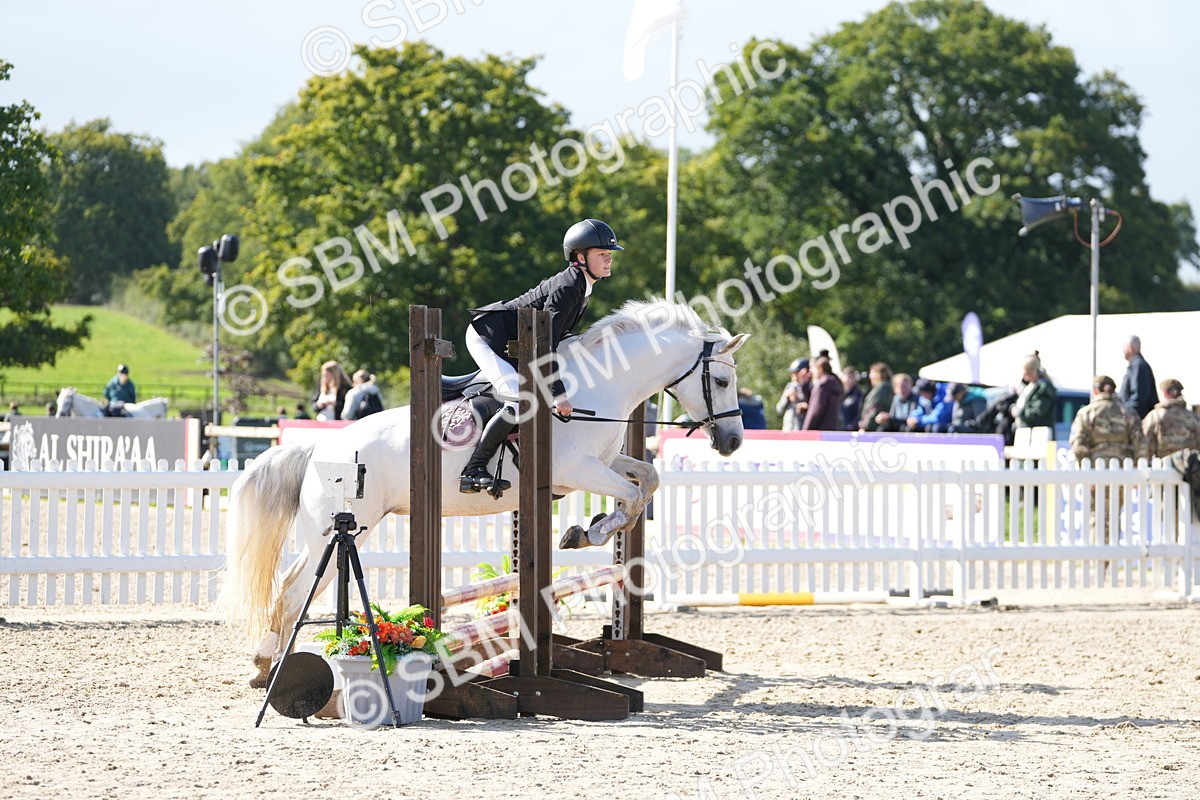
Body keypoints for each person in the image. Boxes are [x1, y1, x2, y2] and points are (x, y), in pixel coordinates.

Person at [460, 218, 622, 495]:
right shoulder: (568, 287)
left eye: (609, 254)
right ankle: (473, 470)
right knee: (520, 400)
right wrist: (559, 394)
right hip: (487, 337)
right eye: (602, 254)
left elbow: (555, 339)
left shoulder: (582, 285)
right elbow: (543, 346)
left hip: (515, 343)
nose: (609, 259)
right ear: (580, 257)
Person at [1070, 375, 1148, 547]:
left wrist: (1085, 472)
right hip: (1122, 473)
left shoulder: (1087, 413)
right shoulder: (1128, 413)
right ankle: (1110, 557)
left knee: (1096, 516)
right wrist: (1137, 471)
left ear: (1095, 390)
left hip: (1096, 474)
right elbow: (1140, 445)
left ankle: (1098, 560)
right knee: (1113, 516)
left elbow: (1078, 445)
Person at [1142, 379, 1200, 459]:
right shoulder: (1194, 417)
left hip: (1161, 468)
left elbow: (1145, 443)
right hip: (1189, 468)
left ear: (1165, 393)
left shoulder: (1154, 416)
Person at [1011, 353, 1057, 431]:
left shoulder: (1043, 387)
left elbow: (1038, 412)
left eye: (1025, 370)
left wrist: (1019, 413)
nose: (1023, 373)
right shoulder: (1030, 386)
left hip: (1038, 434)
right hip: (1025, 432)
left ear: (1031, 370)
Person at [1119, 335, 1157, 419]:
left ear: (1130, 348)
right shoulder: (1136, 366)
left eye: (1124, 346)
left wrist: (1122, 411)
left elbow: (1139, 399)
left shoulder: (1138, 366)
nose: (1122, 350)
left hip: (1136, 421)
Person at [802, 356, 844, 431]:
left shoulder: (822, 386)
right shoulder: (834, 384)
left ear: (820, 369)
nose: (810, 371)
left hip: (819, 434)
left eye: (812, 367)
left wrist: (805, 431)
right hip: (831, 431)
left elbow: (815, 411)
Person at [775, 357, 811, 430]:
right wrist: (787, 398)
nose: (792, 375)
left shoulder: (811, 388)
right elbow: (779, 409)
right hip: (788, 428)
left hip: (803, 429)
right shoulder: (790, 387)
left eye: (795, 373)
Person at [859, 362, 894, 432]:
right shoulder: (886, 388)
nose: (870, 376)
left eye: (872, 372)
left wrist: (866, 426)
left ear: (879, 374)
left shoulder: (882, 389)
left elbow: (874, 408)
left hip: (874, 428)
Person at [839, 366, 864, 431]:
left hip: (851, 430)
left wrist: (851, 426)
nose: (848, 380)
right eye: (846, 377)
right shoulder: (838, 393)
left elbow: (859, 413)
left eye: (851, 377)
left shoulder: (858, 394)